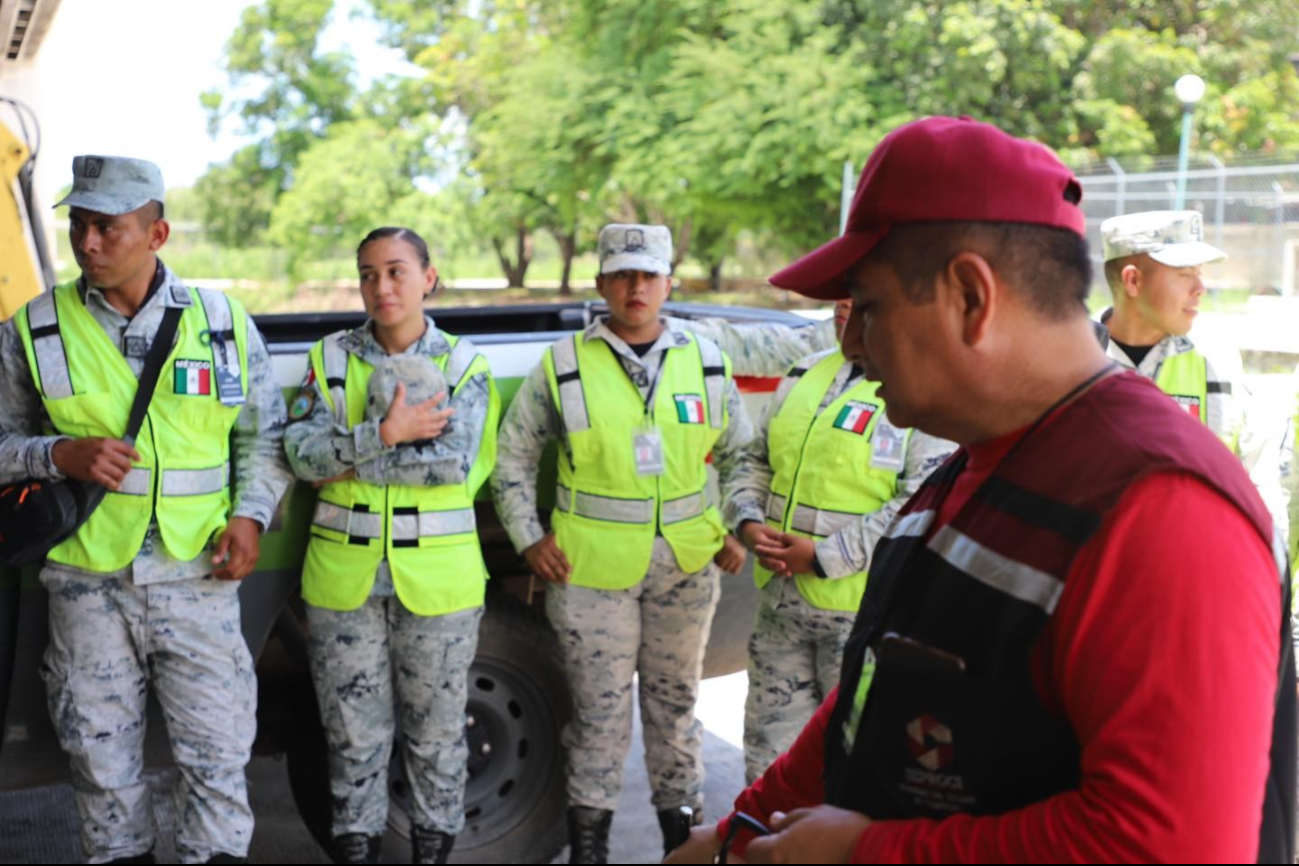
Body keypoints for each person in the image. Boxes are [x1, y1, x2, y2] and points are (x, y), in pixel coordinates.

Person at [666, 116, 1295, 864]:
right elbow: (882, 685)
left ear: (970, 294)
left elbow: (1169, 847)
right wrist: (739, 829)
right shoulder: (971, 467)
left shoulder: (1160, 511)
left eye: (866, 307)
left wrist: (868, 853)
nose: (854, 347)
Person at [0, 155, 292, 864]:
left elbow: (264, 435)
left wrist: (250, 515)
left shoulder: (221, 323)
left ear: (156, 233)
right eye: (78, 226)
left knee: (218, 763)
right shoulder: (33, 329)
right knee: (101, 773)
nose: (88, 244)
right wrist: (55, 456)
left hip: (199, 580)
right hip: (85, 584)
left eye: (108, 228)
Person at [491, 223, 755, 863]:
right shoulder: (563, 365)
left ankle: (681, 845)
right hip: (590, 574)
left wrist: (736, 523)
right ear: (602, 282)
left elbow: (745, 454)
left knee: (675, 713)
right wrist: (528, 537)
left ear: (670, 282)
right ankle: (590, 851)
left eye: (648, 275)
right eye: (622, 275)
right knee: (599, 720)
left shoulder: (707, 358)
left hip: (687, 568)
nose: (636, 287)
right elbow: (511, 459)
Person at [283, 227, 499, 865]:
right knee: (352, 738)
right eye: (369, 273)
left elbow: (450, 466)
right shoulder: (328, 362)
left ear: (429, 277)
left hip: (438, 584)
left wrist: (347, 454)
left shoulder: (463, 367)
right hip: (342, 581)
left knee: (437, 737)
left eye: (398, 271)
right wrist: (388, 433)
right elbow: (299, 454)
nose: (382, 286)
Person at [726, 297, 954, 782]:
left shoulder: (921, 384)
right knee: (769, 762)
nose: (844, 312)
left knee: (858, 765)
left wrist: (826, 557)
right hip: (781, 608)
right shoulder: (804, 372)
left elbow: (924, 498)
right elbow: (754, 459)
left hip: (862, 617)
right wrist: (747, 521)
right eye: (839, 301)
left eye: (860, 299)